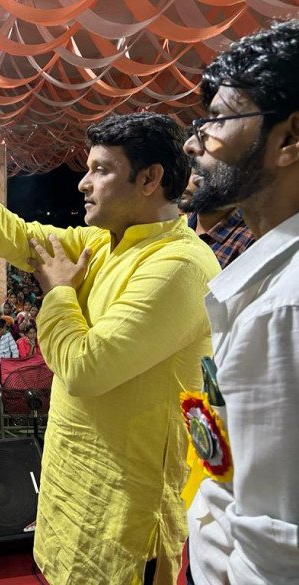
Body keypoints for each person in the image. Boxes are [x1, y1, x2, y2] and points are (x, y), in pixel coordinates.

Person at [0, 102, 220, 584]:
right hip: (73, 484)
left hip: (124, 511)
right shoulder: (101, 244)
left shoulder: (179, 265)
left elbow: (84, 370)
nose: (83, 183)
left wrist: (57, 292)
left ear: (149, 178)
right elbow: (18, 236)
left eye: (101, 170)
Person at [182, 20, 299, 585]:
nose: (193, 143)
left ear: (289, 138)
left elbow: (275, 555)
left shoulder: (284, 308)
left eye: (218, 120)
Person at [178, 177, 254, 268]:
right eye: (192, 171)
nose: (192, 180)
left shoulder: (250, 241)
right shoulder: (179, 220)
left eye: (205, 174)